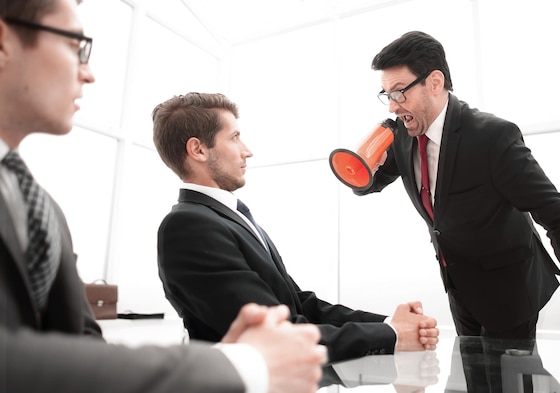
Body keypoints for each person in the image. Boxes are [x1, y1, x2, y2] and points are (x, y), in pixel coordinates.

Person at [0, 1, 326, 392]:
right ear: (4, 41)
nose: (89, 74)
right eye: (77, 46)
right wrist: (243, 363)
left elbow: (83, 344)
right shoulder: (188, 225)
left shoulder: (43, 208)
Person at [353, 30, 560, 349]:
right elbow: (370, 182)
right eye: (387, 94)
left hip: (511, 291)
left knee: (513, 382)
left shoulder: (491, 138)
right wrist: (361, 170)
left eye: (400, 92)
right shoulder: (404, 135)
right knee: (472, 376)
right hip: (460, 289)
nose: (392, 107)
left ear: (434, 82)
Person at [152, 92, 440, 363]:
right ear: (198, 149)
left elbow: (298, 305)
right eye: (235, 137)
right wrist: (393, 335)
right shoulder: (187, 227)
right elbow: (273, 336)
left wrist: (390, 322)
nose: (247, 151)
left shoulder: (231, 217)